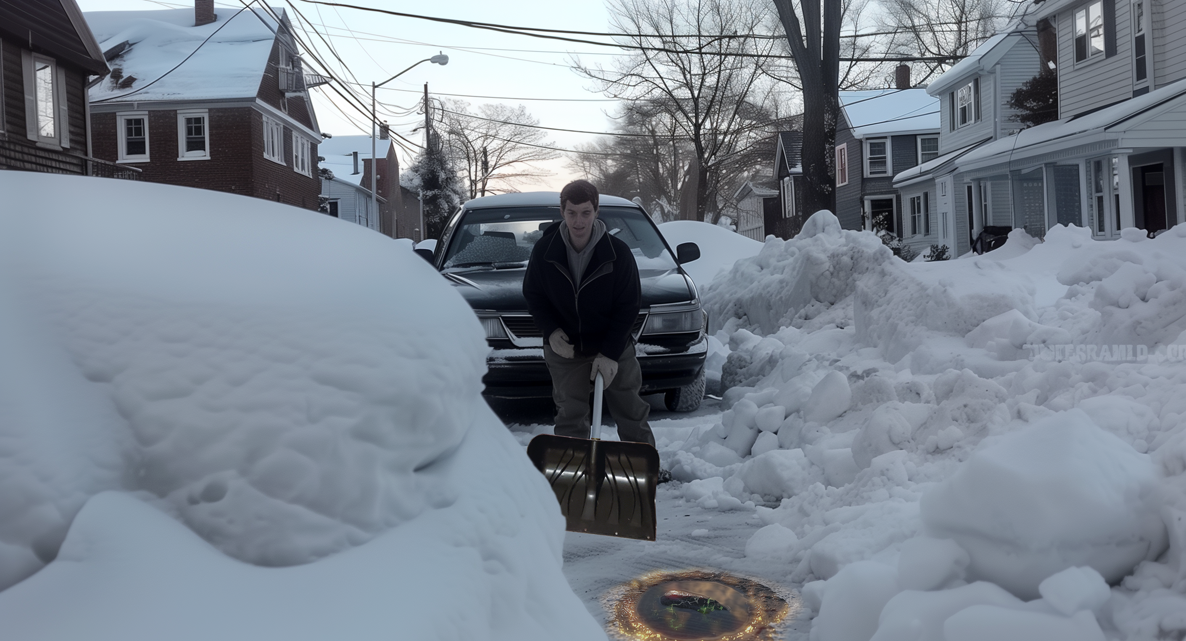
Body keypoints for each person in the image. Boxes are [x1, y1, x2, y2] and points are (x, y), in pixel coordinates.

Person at [522, 179, 656, 448]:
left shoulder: (618, 254)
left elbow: (628, 306)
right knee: (570, 416)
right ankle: (572, 474)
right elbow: (534, 295)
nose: (578, 221)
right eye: (571, 213)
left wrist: (610, 353)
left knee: (631, 411)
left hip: (613, 343)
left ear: (596, 211)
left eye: (585, 212)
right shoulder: (545, 251)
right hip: (566, 349)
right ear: (562, 212)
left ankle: (644, 467)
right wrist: (550, 331)